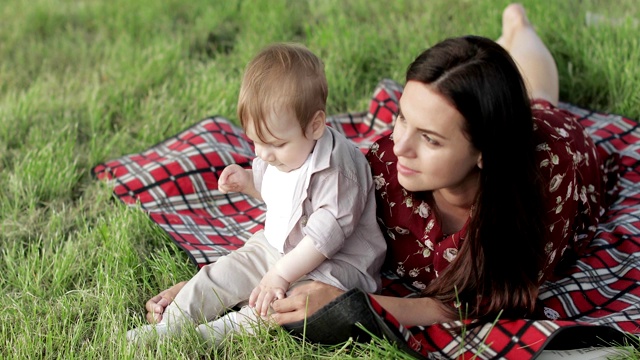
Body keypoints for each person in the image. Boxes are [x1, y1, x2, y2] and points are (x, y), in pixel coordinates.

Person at [144, 3, 607, 334]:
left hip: (562, 146)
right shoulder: (386, 165)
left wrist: (354, 304)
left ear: (484, 152)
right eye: (402, 116)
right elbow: (308, 220)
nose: (397, 143)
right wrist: (215, 281)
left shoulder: (536, 201)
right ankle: (511, 26)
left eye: (429, 138)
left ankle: (518, 22)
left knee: (541, 101)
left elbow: (469, 307)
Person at [127, 42, 386, 346]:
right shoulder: (283, 149)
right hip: (278, 245)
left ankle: (210, 335)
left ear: (315, 125)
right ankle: (171, 324)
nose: (264, 153)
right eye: (254, 141)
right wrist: (247, 181)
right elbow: (274, 187)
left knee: (279, 307)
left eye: (275, 144)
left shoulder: (339, 172)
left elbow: (322, 239)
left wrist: (279, 275)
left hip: (332, 267)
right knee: (222, 274)